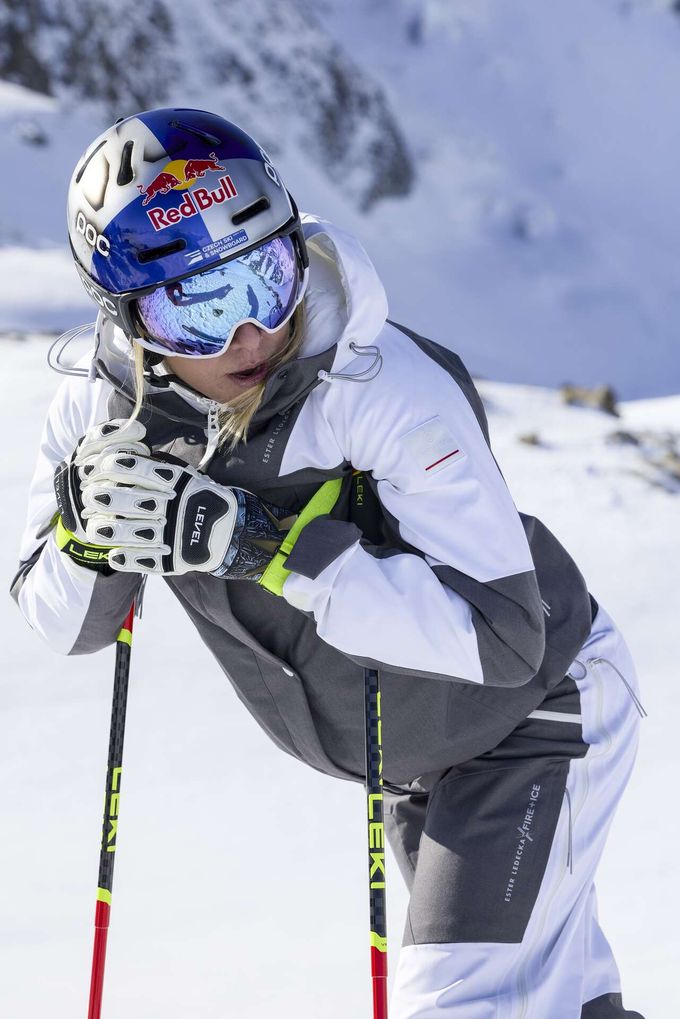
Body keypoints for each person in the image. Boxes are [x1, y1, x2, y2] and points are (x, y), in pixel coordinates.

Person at [11, 107, 646, 1018]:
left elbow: (505, 639)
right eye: (200, 306)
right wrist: (88, 531)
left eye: (266, 279)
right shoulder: (101, 410)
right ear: (129, 320)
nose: (248, 336)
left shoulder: (379, 385)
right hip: (425, 752)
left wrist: (260, 545)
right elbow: (65, 621)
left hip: (539, 705)